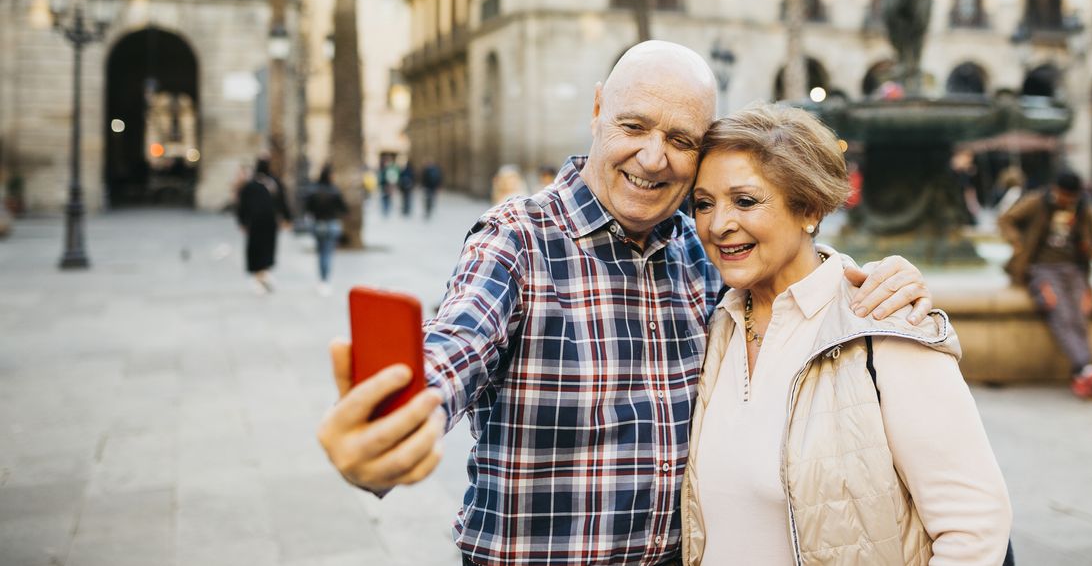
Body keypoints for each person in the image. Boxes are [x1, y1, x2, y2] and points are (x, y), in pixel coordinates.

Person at [316, 41, 935, 566]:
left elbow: (794, 278)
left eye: (680, 139)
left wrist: (871, 278)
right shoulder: (518, 239)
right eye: (634, 127)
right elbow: (453, 348)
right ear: (596, 111)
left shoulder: (704, 253)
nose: (653, 157)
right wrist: (392, 429)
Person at [682, 103, 1011, 564]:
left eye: (745, 200)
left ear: (809, 208)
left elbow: (975, 527)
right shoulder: (720, 324)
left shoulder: (884, 323)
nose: (718, 225)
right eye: (703, 203)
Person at [998, 171, 1092, 399]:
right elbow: (1006, 219)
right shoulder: (1036, 202)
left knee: (1079, 315)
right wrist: (1017, 242)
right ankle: (1084, 368)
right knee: (1058, 310)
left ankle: (1084, 370)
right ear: (1055, 189)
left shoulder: (1082, 209)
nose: (1067, 201)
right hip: (1042, 269)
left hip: (1074, 270)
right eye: (1064, 196)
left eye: (1072, 197)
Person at [236, 157, 291, 294]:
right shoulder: (273, 183)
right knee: (264, 249)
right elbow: (282, 202)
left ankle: (260, 277)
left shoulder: (252, 185)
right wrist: (287, 218)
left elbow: (242, 206)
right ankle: (261, 276)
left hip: (257, 223)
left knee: (258, 249)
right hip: (268, 222)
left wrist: (242, 222)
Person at [305, 164, 348, 297]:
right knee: (327, 253)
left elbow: (308, 208)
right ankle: (325, 280)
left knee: (321, 252)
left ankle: (322, 280)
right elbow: (343, 208)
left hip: (318, 225)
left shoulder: (313, 190)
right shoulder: (334, 191)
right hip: (330, 224)